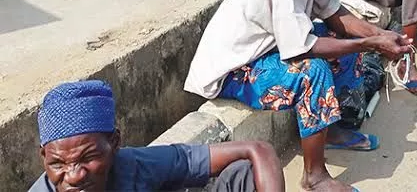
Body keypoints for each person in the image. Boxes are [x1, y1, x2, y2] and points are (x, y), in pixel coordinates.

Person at [185, 0, 414, 192]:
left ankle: (329, 130)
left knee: (346, 45)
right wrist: (371, 43)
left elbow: (335, 15)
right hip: (236, 68)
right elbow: (304, 48)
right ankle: (314, 176)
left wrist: (379, 35)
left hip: (273, 48)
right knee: (313, 73)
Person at [29, 80, 285, 192]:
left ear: (114, 143)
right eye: (57, 164)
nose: (74, 175)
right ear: (44, 157)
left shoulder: (135, 166)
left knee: (243, 174)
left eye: (88, 158)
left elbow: (258, 150)